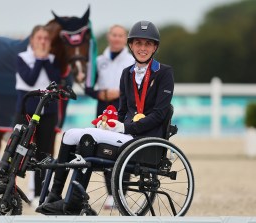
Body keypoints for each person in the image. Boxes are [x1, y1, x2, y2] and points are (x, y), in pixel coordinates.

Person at [36, 20, 174, 215]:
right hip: (126, 134)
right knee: (69, 135)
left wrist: (126, 128)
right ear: (131, 45)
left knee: (87, 138)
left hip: (145, 138)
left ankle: (73, 201)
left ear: (155, 47)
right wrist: (108, 122)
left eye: (147, 44)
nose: (142, 48)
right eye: (138, 43)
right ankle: (55, 196)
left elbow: (160, 114)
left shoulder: (164, 73)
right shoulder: (127, 73)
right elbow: (123, 110)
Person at [84, 24, 134, 209]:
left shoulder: (131, 61)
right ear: (108, 36)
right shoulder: (98, 61)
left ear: (125, 39)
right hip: (103, 110)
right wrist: (102, 94)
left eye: (120, 35)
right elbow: (89, 87)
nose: (116, 38)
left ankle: (121, 193)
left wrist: (120, 93)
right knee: (105, 150)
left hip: (125, 109)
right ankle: (111, 194)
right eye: (113, 35)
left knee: (123, 149)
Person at [14, 25, 61, 205]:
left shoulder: (53, 60)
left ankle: (40, 194)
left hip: (48, 113)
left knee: (44, 152)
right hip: (25, 111)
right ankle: (11, 188)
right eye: (39, 38)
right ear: (32, 40)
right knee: (20, 149)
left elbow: (54, 80)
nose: (42, 42)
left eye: (46, 39)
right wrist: (40, 59)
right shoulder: (22, 58)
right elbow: (30, 79)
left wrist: (45, 59)